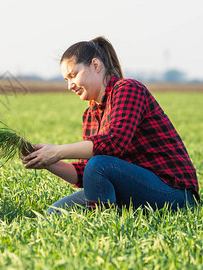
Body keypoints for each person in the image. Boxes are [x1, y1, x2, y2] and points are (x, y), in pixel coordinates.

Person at [22, 36, 199, 213]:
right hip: (133, 189)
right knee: (55, 213)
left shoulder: (128, 89)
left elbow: (114, 143)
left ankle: (102, 223)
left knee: (99, 164)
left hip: (174, 193)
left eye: (73, 75)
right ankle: (108, 214)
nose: (70, 85)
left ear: (95, 65)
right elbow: (86, 174)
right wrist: (45, 160)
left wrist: (58, 151)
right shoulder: (91, 114)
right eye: (66, 80)